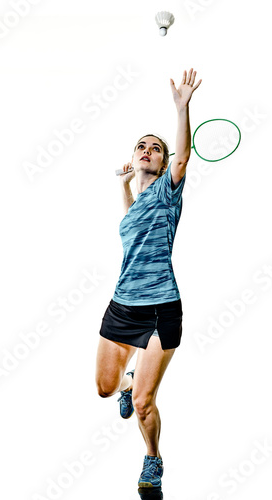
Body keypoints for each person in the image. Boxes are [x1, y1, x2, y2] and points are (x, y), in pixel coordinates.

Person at [95, 68, 202, 488]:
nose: (147, 151)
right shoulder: (139, 200)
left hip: (160, 308)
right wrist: (124, 187)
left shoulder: (167, 190)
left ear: (161, 161)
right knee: (106, 389)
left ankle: (152, 460)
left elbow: (183, 156)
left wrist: (182, 109)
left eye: (154, 148)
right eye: (141, 146)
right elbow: (130, 228)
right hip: (122, 305)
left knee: (143, 403)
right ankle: (126, 380)